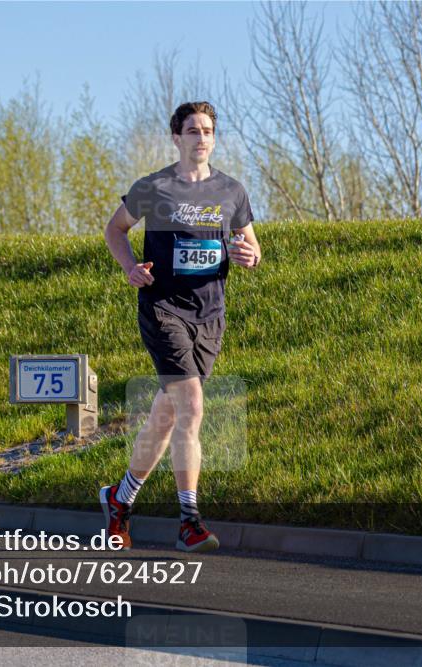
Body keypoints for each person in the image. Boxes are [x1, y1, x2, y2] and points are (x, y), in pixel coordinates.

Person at [100, 101, 261, 553]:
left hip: (209, 316)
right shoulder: (154, 188)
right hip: (163, 309)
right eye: (192, 130)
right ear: (176, 138)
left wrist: (249, 256)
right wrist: (131, 268)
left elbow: (252, 247)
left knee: (167, 414)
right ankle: (189, 521)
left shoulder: (231, 191)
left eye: (208, 130)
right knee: (191, 404)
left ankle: (120, 498)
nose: (201, 138)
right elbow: (115, 230)